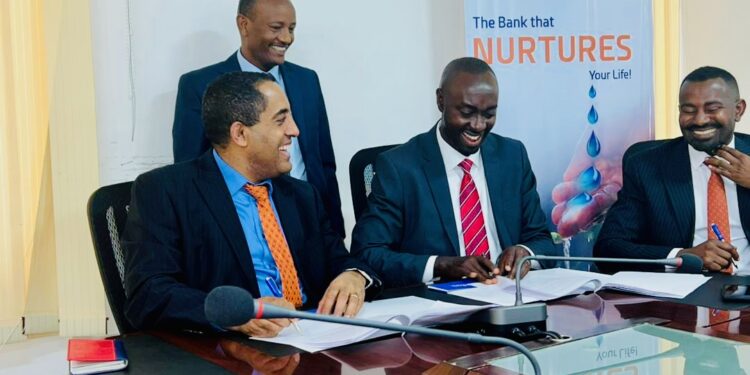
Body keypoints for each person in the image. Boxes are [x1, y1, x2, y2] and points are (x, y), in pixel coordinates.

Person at [124, 72, 380, 337]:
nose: (295, 130)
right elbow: (148, 293)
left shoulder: (302, 196)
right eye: (281, 120)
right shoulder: (166, 191)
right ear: (240, 134)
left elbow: (342, 260)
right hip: (230, 349)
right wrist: (235, 314)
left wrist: (354, 276)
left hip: (312, 339)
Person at [350, 57, 557, 288]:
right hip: (440, 306)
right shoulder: (399, 167)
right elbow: (367, 253)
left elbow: (542, 240)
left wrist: (525, 252)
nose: (478, 125)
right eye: (467, 112)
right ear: (441, 101)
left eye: (489, 114)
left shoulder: (512, 156)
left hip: (510, 298)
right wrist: (442, 265)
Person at [172, 0, 345, 237]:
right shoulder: (199, 85)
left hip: (309, 224)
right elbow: (190, 170)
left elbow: (324, 163)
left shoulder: (306, 80)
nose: (286, 38)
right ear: (243, 25)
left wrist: (335, 232)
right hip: (243, 227)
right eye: (276, 27)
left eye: (291, 28)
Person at [595, 66, 749, 274]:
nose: (699, 120)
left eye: (712, 109)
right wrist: (681, 256)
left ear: (738, 110)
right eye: (688, 110)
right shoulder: (647, 165)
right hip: (681, 294)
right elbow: (608, 249)